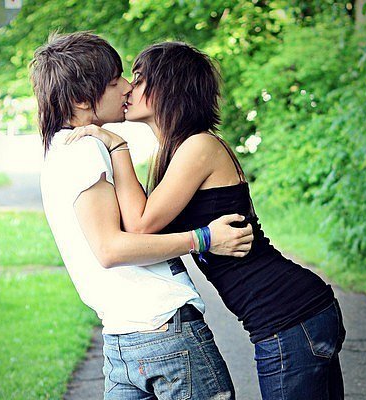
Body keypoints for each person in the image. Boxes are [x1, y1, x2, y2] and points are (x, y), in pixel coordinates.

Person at [67, 41, 346, 399]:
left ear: (168, 87)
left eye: (139, 78)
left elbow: (140, 224)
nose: (129, 88)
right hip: (291, 318)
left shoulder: (199, 147)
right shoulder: (176, 152)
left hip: (290, 316)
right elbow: (134, 227)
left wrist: (117, 147)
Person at [31, 32, 255, 400]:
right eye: (114, 80)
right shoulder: (86, 151)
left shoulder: (60, 151)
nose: (126, 87)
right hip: (164, 329)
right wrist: (205, 238)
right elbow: (111, 249)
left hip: (122, 338)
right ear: (82, 99)